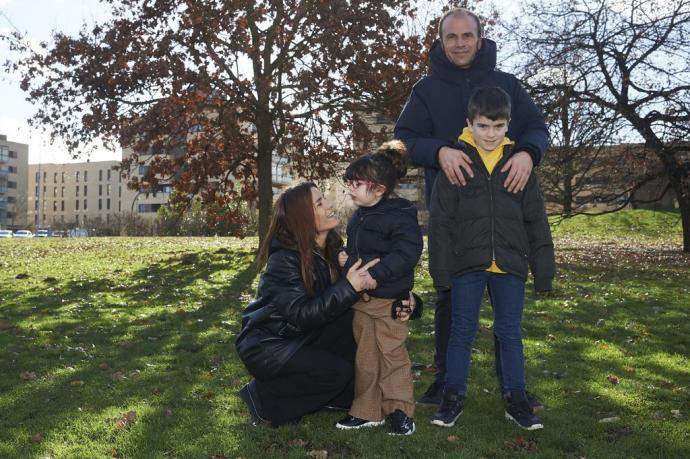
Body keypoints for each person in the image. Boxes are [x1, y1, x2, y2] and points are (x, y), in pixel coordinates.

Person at [394, 7, 549, 406]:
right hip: (453, 214)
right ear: (441, 41)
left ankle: (513, 387)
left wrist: (528, 154)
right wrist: (439, 151)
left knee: (506, 305)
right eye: (451, 37)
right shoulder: (425, 91)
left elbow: (537, 129)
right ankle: (446, 382)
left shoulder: (508, 85)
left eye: (467, 36)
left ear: (480, 39)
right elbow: (405, 138)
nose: (460, 43)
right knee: (451, 298)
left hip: (504, 216)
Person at [428, 86, 554, 430]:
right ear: (470, 123)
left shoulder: (519, 164)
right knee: (462, 332)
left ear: (508, 124)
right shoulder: (456, 162)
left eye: (498, 127)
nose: (490, 134)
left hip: (511, 265)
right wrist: (440, 272)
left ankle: (516, 400)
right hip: (466, 264)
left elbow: (536, 219)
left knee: (509, 333)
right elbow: (440, 222)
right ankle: (452, 397)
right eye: (483, 126)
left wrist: (544, 271)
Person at [235, 182, 381, 427]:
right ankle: (262, 398)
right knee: (336, 372)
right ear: (304, 218)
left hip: (303, 335)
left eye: (325, 199)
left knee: (350, 318)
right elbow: (300, 314)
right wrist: (348, 287)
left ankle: (338, 396)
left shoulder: (333, 250)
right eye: (320, 203)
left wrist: (408, 301)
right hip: (272, 345)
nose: (330, 204)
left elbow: (366, 284)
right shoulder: (284, 259)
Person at [334, 140, 423, 436]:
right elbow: (360, 251)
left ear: (379, 188)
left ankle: (400, 412)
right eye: (349, 183)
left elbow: (407, 253)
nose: (350, 189)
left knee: (392, 357)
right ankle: (367, 410)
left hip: (388, 301)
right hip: (362, 301)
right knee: (366, 358)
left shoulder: (400, 214)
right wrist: (345, 259)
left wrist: (379, 275)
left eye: (356, 183)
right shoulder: (360, 214)